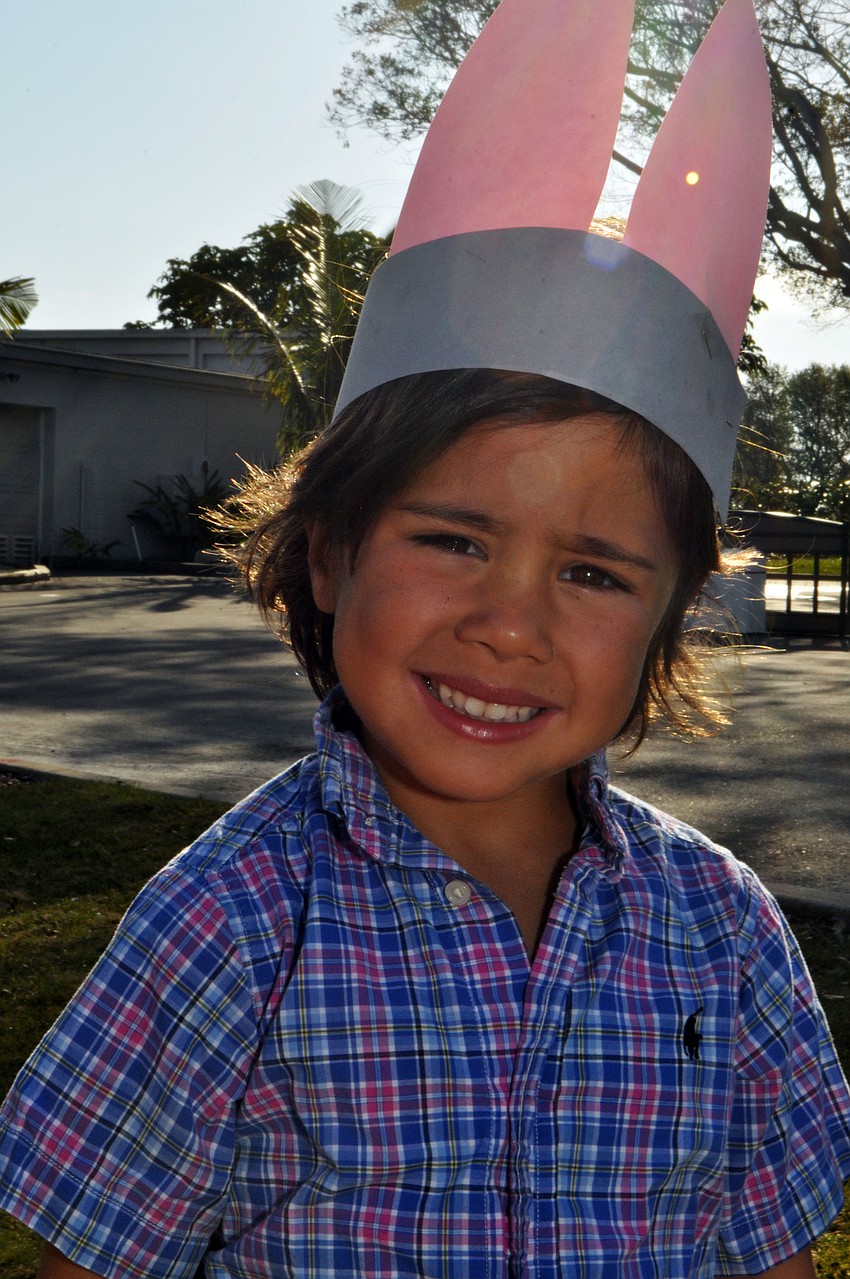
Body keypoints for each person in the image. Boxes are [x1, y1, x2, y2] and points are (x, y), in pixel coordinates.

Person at [2, 0, 850, 1276]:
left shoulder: (723, 929)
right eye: (453, 539)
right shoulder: (226, 922)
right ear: (333, 552)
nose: (509, 622)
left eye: (593, 572)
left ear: (669, 617)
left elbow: (771, 1251)